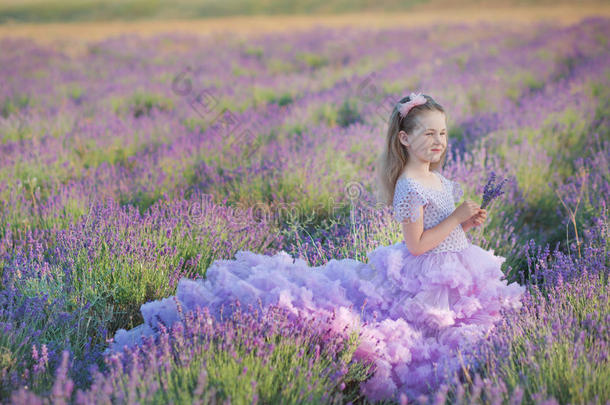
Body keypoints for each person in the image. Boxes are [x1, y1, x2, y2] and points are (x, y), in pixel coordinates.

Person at [109, 92, 526, 402]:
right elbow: (416, 245)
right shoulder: (410, 185)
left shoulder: (439, 179)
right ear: (403, 138)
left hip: (452, 268)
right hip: (423, 276)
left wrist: (463, 221)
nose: (439, 141)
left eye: (444, 133)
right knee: (425, 344)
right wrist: (454, 219)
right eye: (428, 133)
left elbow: (441, 229)